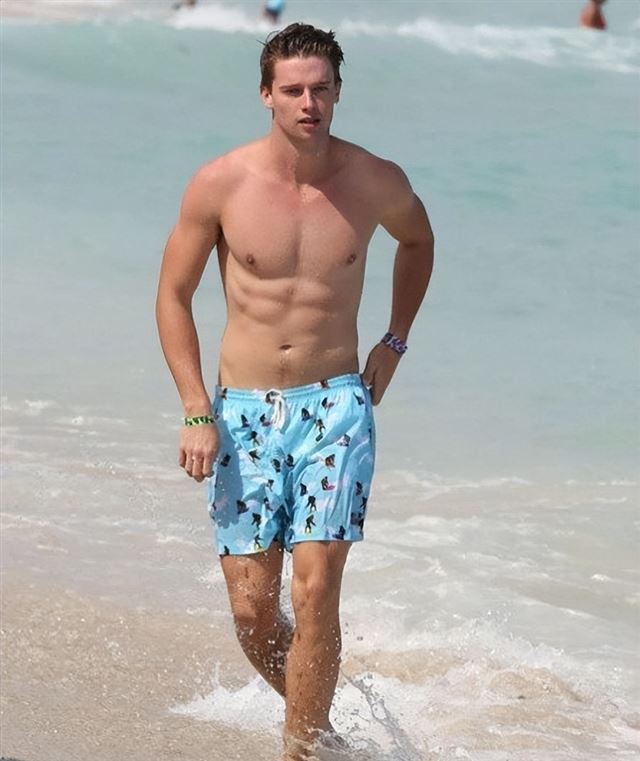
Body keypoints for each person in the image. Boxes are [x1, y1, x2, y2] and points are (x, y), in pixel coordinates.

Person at [156, 23, 434, 760]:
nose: (309, 103)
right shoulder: (221, 183)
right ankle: (325, 731)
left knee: (315, 593)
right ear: (266, 96)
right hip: (242, 413)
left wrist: (395, 340)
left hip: (336, 407)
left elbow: (418, 241)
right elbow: (172, 295)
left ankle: (301, 750)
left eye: (321, 89)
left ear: (338, 92)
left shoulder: (375, 180)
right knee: (253, 611)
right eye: (293, 90)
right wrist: (195, 408)